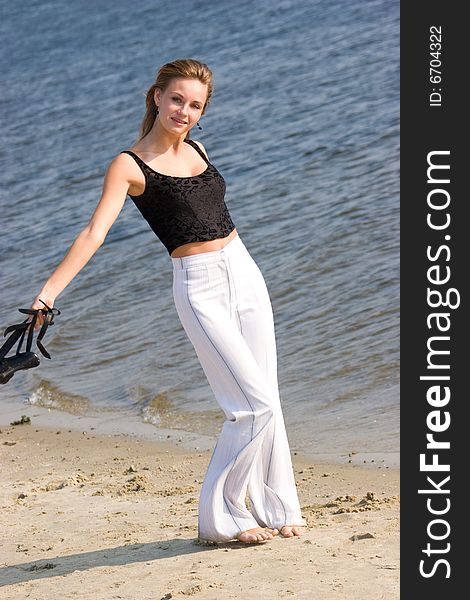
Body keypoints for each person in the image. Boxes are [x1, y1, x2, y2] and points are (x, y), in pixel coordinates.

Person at [29, 58, 308, 545]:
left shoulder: (198, 148)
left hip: (244, 271)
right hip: (198, 285)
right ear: (156, 96)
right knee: (249, 407)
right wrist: (48, 293)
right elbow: (95, 233)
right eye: (176, 99)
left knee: (269, 397)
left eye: (195, 104)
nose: (184, 111)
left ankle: (278, 506)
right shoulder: (129, 165)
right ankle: (222, 520)